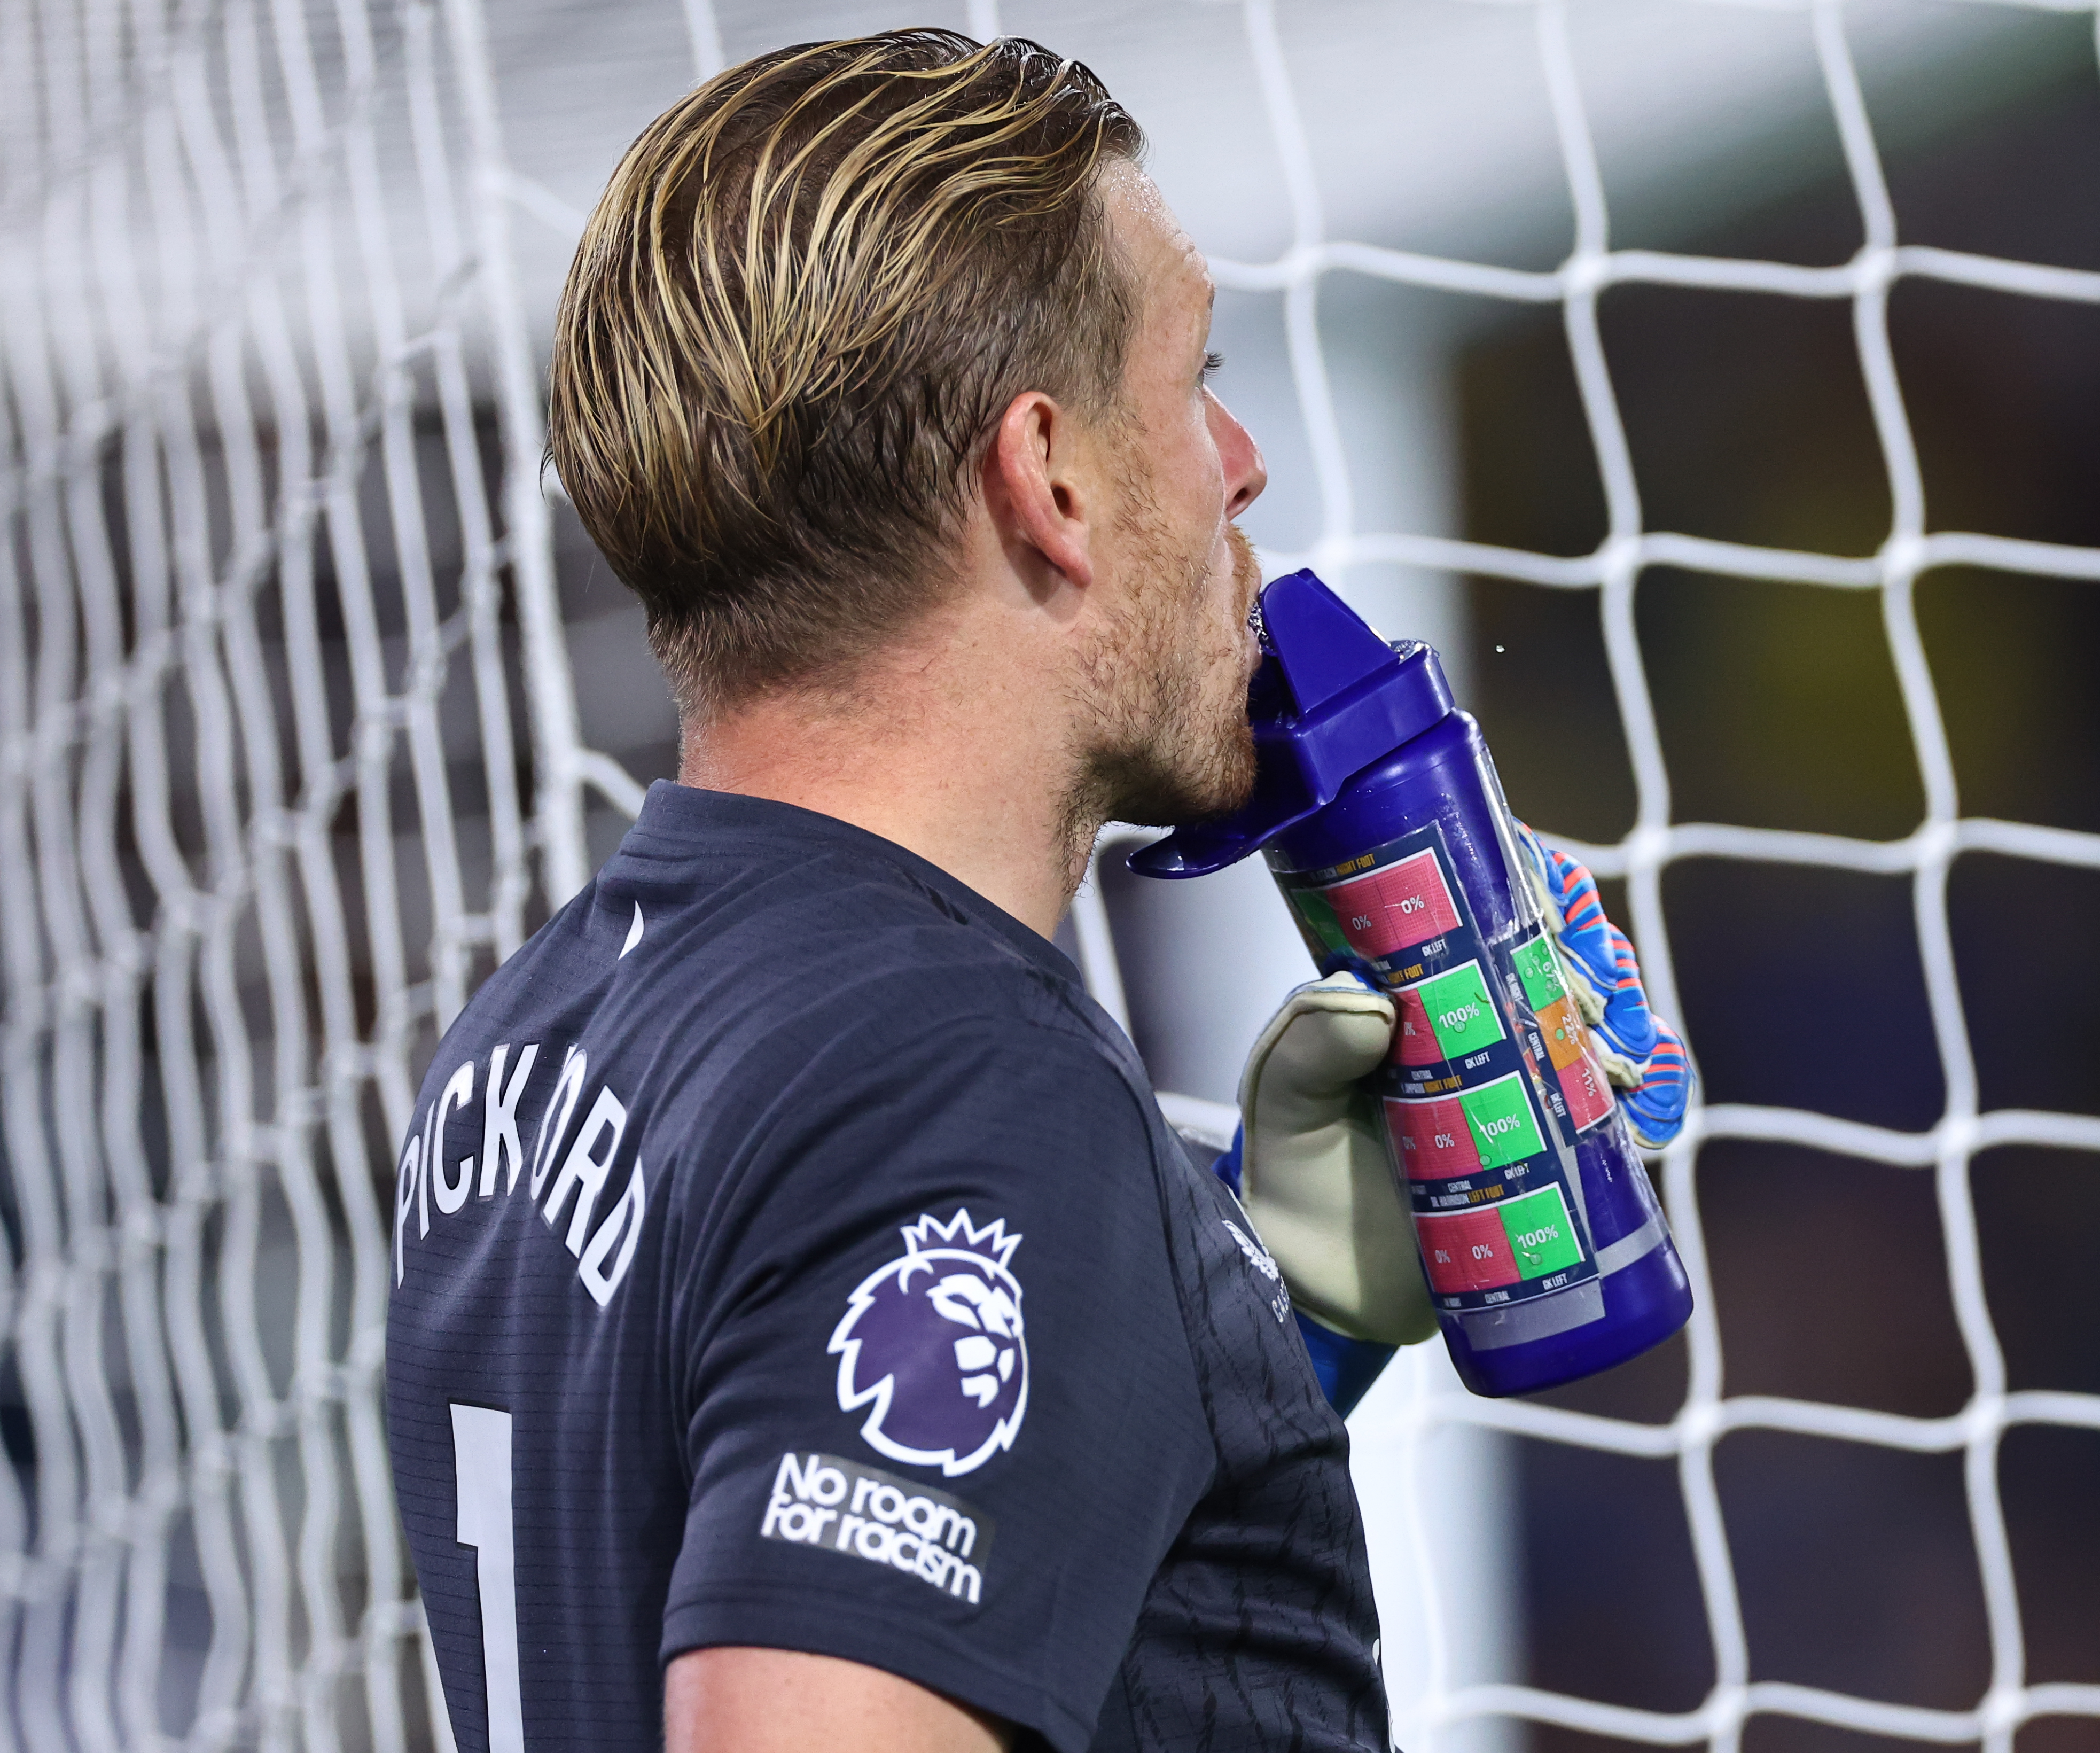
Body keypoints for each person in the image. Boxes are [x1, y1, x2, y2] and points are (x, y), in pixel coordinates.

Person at [382, 28, 1685, 1753]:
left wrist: (1255, 1325)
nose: (1238, 460)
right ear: (1049, 478)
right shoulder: (953, 1082)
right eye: (1190, 378)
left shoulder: (532, 1036)